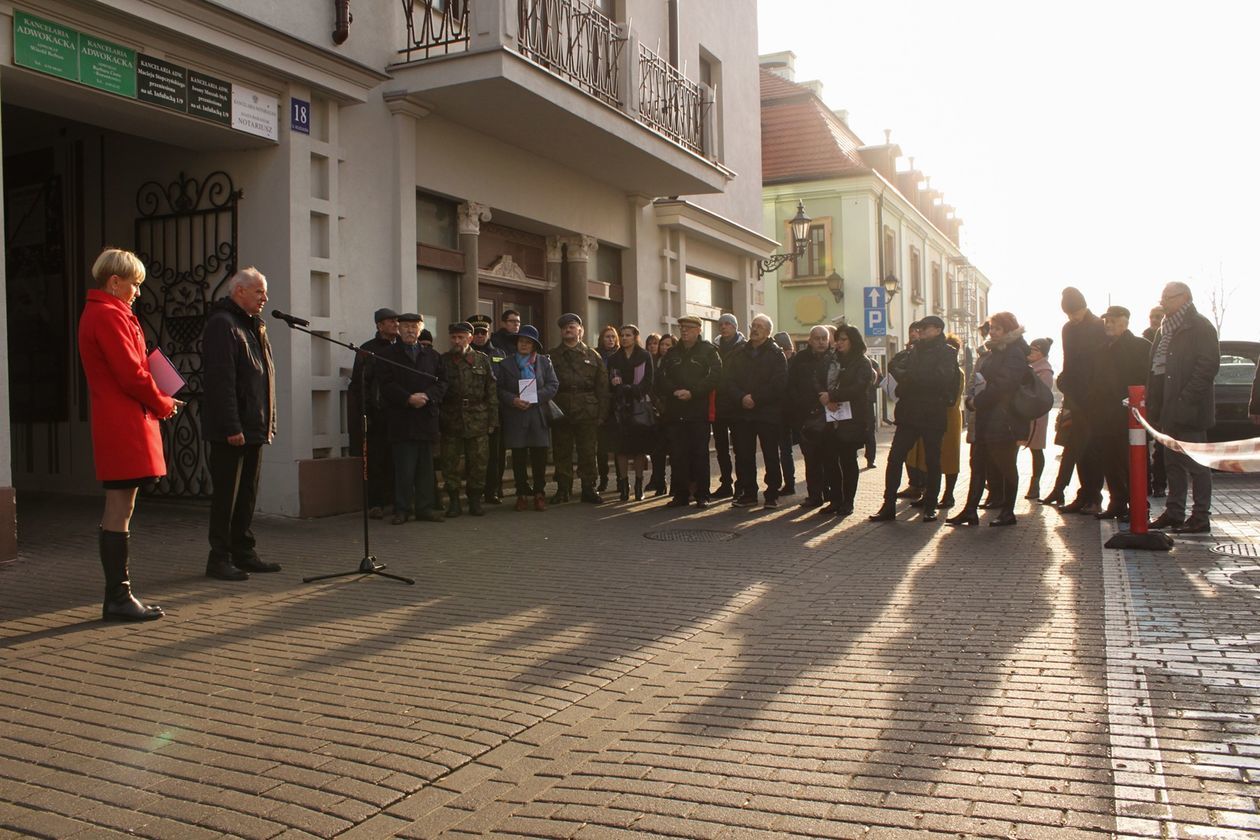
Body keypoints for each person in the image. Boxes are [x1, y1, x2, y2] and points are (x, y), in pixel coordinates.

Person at [79, 247, 179, 620]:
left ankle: (119, 596)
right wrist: (164, 403)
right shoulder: (109, 315)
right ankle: (118, 599)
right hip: (125, 422)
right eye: (134, 284)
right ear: (114, 281)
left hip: (119, 419)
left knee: (121, 507)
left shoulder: (104, 313)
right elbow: (131, 375)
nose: (138, 291)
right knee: (120, 508)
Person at [202, 267, 278, 581]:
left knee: (247, 493)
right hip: (232, 429)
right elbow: (222, 381)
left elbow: (261, 378)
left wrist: (267, 421)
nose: (265, 298)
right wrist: (232, 425)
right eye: (259, 291)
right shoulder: (223, 324)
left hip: (253, 426)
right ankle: (218, 558)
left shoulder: (253, 325)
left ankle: (243, 552)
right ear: (240, 291)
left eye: (265, 291)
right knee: (227, 496)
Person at [871, 315, 959, 522]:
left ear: (937, 330)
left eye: (925, 329)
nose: (920, 333)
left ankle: (930, 506)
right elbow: (893, 366)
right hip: (909, 413)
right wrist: (913, 377)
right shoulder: (913, 350)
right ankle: (888, 504)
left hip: (932, 414)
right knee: (895, 459)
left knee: (932, 461)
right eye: (919, 329)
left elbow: (941, 379)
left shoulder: (947, 352)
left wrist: (911, 378)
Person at [1147, 282, 1219, 533]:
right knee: (1172, 464)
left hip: (1190, 410)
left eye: (1169, 296)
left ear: (1185, 298)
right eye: (1162, 296)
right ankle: (1175, 512)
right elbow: (1156, 371)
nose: (1163, 301)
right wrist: (1155, 404)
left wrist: (1185, 399)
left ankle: (1200, 516)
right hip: (1166, 409)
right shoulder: (1163, 329)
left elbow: (1207, 366)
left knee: (1198, 466)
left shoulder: (1199, 326)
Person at [947, 312, 1029, 527]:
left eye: (997, 328)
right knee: (978, 464)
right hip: (986, 418)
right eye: (991, 327)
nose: (992, 331)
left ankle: (1008, 512)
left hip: (1004, 419)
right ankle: (970, 510)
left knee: (1006, 466)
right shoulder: (994, 350)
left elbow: (1004, 385)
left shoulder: (1015, 352)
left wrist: (978, 401)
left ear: (1008, 330)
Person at [379, 313, 447, 524]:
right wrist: (408, 398)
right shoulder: (388, 354)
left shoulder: (433, 356)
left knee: (426, 470)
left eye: (414, 326)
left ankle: (425, 509)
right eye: (406, 326)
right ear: (398, 329)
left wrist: (427, 396)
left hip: (426, 419)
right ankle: (403, 509)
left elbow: (443, 383)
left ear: (421, 329)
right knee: (404, 470)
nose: (410, 330)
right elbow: (385, 384)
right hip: (402, 419)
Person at [1093, 306, 1152, 520]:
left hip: (1130, 414)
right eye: (1106, 320)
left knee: (1132, 461)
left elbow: (1145, 378)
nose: (1108, 324)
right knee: (1111, 461)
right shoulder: (1101, 349)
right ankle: (1117, 502)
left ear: (1125, 321)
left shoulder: (1139, 346)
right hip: (1105, 415)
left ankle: (1139, 505)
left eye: (1113, 320)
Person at [657, 315, 722, 508]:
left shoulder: (709, 351)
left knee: (699, 454)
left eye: (688, 328)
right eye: (682, 328)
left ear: (698, 330)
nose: (684, 331)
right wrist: (673, 391)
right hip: (676, 410)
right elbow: (661, 377)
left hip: (698, 410)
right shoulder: (672, 353)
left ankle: (702, 494)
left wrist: (693, 392)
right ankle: (681, 494)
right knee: (678, 454)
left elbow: (716, 376)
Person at [724, 314, 788, 510]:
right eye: (753, 325)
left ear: (768, 332)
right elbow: (727, 380)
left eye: (760, 326)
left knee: (770, 454)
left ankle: (772, 493)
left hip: (767, 413)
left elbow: (779, 384)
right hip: (742, 412)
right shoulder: (739, 352)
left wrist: (756, 398)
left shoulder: (777, 354)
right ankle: (748, 492)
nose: (755, 329)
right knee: (744, 454)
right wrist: (741, 397)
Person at [1056, 287, 1108, 514]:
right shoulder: (1068, 328)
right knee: (1078, 449)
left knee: (1093, 449)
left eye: (1075, 313)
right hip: (1074, 396)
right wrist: (1065, 383)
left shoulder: (1098, 326)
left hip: (1094, 397)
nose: (1072, 319)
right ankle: (1083, 494)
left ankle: (1093, 496)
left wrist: (1094, 391)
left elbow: (1100, 363)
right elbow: (1068, 359)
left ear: (1084, 308)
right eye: (1068, 315)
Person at [549, 313, 610, 504]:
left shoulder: (593, 355)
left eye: (572, 326)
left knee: (587, 451)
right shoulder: (552, 356)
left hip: (587, 408)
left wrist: (602, 413)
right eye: (565, 327)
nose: (568, 329)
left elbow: (602, 387)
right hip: (562, 406)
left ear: (581, 331)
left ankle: (588, 488)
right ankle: (563, 488)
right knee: (562, 450)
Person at [439, 321, 498, 518]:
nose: (457, 341)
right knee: (450, 463)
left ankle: (474, 500)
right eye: (454, 337)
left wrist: (492, 421)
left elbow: (491, 392)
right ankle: (454, 501)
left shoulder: (482, 360)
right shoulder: (443, 361)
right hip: (451, 418)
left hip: (478, 418)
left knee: (479, 462)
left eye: (461, 337)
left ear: (470, 339)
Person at [497, 325, 558, 510]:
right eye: (521, 341)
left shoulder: (544, 362)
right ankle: (521, 493)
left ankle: (539, 493)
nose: (524, 345)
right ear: (516, 343)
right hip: (516, 415)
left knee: (539, 457)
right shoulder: (505, 363)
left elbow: (553, 384)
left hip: (537, 415)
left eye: (528, 342)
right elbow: (498, 389)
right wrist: (513, 400)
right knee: (519, 458)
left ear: (534, 346)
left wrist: (535, 398)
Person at [348, 307, 399, 518]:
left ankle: (396, 502)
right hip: (377, 414)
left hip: (398, 414)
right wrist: (366, 412)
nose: (396, 324)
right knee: (376, 460)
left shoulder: (401, 348)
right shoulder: (367, 350)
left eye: (397, 321)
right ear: (379, 325)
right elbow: (360, 384)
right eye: (391, 321)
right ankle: (375, 504)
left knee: (396, 461)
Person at [819, 325, 875, 516]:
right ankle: (835, 500)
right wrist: (827, 397)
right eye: (837, 339)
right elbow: (818, 378)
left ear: (853, 340)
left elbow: (858, 388)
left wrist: (834, 396)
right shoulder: (831, 360)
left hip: (852, 418)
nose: (839, 343)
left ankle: (847, 501)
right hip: (831, 416)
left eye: (843, 339)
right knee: (830, 460)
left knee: (848, 460)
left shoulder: (862, 362)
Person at [910, 333, 964, 509]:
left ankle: (948, 495)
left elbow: (953, 399)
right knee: (930, 457)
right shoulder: (935, 370)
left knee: (950, 458)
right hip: (933, 418)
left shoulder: (957, 373)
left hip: (950, 418)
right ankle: (929, 493)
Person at [607, 325, 655, 501]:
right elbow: (610, 379)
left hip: (638, 406)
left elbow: (648, 381)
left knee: (639, 450)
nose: (624, 338)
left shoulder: (644, 355)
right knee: (621, 449)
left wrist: (632, 389)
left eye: (628, 335)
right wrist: (615, 384)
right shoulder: (614, 358)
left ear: (635, 337)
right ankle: (624, 485)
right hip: (620, 408)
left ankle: (638, 485)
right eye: (622, 335)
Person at [788, 325, 833, 509]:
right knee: (811, 458)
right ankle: (814, 495)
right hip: (806, 416)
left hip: (830, 415)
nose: (821, 342)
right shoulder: (800, 359)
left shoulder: (834, 358)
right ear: (810, 341)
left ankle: (831, 493)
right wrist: (800, 405)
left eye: (824, 338)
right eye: (817, 338)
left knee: (830, 457)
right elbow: (791, 385)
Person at [469, 314, 507, 504]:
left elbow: (506, 380)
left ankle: (493, 489)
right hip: (472, 413)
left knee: (495, 454)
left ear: (488, 333)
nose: (480, 336)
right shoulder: (465, 354)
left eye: (483, 332)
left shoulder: (499, 354)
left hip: (495, 411)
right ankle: (475, 490)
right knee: (475, 454)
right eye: (476, 332)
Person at [710, 312, 746, 498]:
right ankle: (726, 483)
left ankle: (741, 484)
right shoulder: (714, 347)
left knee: (739, 447)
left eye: (727, 324)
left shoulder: (744, 348)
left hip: (737, 404)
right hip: (718, 404)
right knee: (721, 447)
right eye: (721, 324)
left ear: (735, 326)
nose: (723, 327)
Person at [894, 321, 927, 500]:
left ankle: (925, 486)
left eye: (917, 331)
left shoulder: (928, 354)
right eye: (911, 330)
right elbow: (894, 366)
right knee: (907, 452)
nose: (914, 333)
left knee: (924, 452)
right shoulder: (904, 354)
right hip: (907, 410)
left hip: (924, 411)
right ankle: (914, 483)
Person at [1023, 337, 1055, 501]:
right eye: (1030, 348)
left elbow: (1042, 394)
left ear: (1042, 353)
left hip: (1036, 416)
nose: (1031, 352)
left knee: (1036, 449)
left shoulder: (1044, 371)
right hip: (1021, 413)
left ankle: (1035, 484)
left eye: (1035, 350)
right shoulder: (1026, 366)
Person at [1142, 305, 1168, 496]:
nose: (1154, 319)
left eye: (1158, 316)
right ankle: (1145, 482)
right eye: (1152, 316)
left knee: (1161, 447)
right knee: (1141, 444)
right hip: (1145, 398)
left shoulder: (1168, 338)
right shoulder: (1143, 341)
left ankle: (1159, 483)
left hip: (1162, 399)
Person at [647, 333, 676, 496]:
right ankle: (658, 481)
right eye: (662, 345)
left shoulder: (676, 362)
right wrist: (656, 403)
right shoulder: (654, 362)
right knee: (657, 450)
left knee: (674, 450)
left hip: (673, 411)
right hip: (657, 412)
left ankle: (675, 483)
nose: (664, 348)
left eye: (668, 345)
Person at [595, 324, 621, 492]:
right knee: (602, 447)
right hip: (600, 405)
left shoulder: (621, 356)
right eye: (607, 337)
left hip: (618, 405)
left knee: (619, 446)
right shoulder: (595, 355)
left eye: (613, 337)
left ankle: (621, 480)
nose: (610, 340)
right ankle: (603, 479)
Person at [773, 331, 798, 495]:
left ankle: (792, 484)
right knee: (785, 449)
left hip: (795, 413)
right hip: (781, 413)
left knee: (792, 450)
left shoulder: (797, 363)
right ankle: (789, 484)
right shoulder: (778, 361)